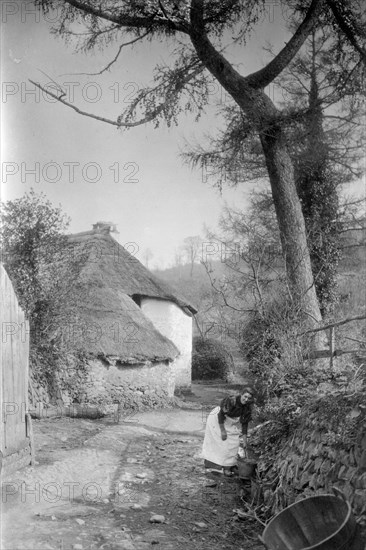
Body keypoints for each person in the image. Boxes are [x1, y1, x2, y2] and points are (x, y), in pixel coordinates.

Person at [202, 386, 254, 474]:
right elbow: (220, 415)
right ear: (241, 394)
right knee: (220, 441)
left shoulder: (247, 407)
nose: (246, 399)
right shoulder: (231, 401)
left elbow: (244, 424)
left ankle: (228, 466)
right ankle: (214, 465)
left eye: (249, 398)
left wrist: (245, 441)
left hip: (229, 420)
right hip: (217, 419)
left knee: (234, 442)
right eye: (245, 396)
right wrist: (222, 431)